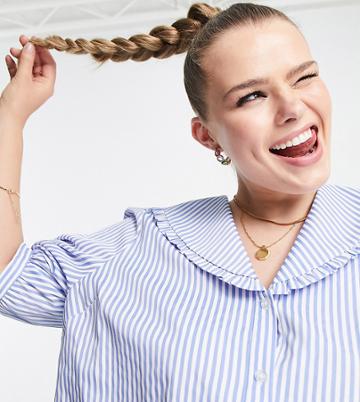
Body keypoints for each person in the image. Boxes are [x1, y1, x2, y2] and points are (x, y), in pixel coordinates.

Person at [0, 2, 359, 401]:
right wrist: (10, 115)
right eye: (252, 96)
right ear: (207, 136)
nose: (292, 108)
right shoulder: (140, 249)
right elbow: (9, 279)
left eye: (304, 77)